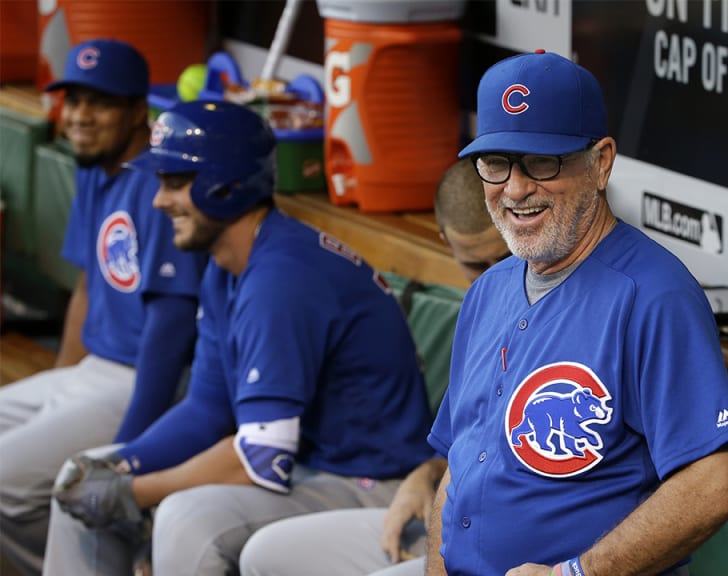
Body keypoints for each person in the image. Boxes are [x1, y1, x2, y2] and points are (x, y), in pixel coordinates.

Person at [41, 100, 436, 576]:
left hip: (372, 482)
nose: (158, 201)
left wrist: (134, 492)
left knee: (186, 518)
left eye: (174, 183)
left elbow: (263, 457)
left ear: (225, 187)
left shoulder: (280, 279)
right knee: (85, 476)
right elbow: (206, 409)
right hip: (311, 463)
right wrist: (122, 466)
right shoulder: (229, 266)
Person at [426, 50, 728, 576]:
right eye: (496, 163)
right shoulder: (487, 291)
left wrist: (576, 573)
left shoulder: (652, 294)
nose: (515, 188)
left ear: (600, 162)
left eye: (542, 161)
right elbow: (458, 468)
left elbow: (718, 481)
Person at [237, 158, 511, 576]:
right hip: (452, 513)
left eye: (504, 257)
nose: (493, 276)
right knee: (263, 555)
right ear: (447, 243)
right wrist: (427, 474)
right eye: (476, 265)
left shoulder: (557, 309)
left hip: (507, 538)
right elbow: (465, 445)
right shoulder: (479, 315)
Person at [0, 39, 207, 576]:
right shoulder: (95, 167)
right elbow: (88, 287)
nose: (80, 117)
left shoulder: (159, 186)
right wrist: (57, 389)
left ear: (138, 111)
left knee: (4, 480)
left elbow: (172, 325)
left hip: (147, 380)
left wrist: (131, 451)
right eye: (74, 101)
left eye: (101, 103)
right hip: (93, 371)